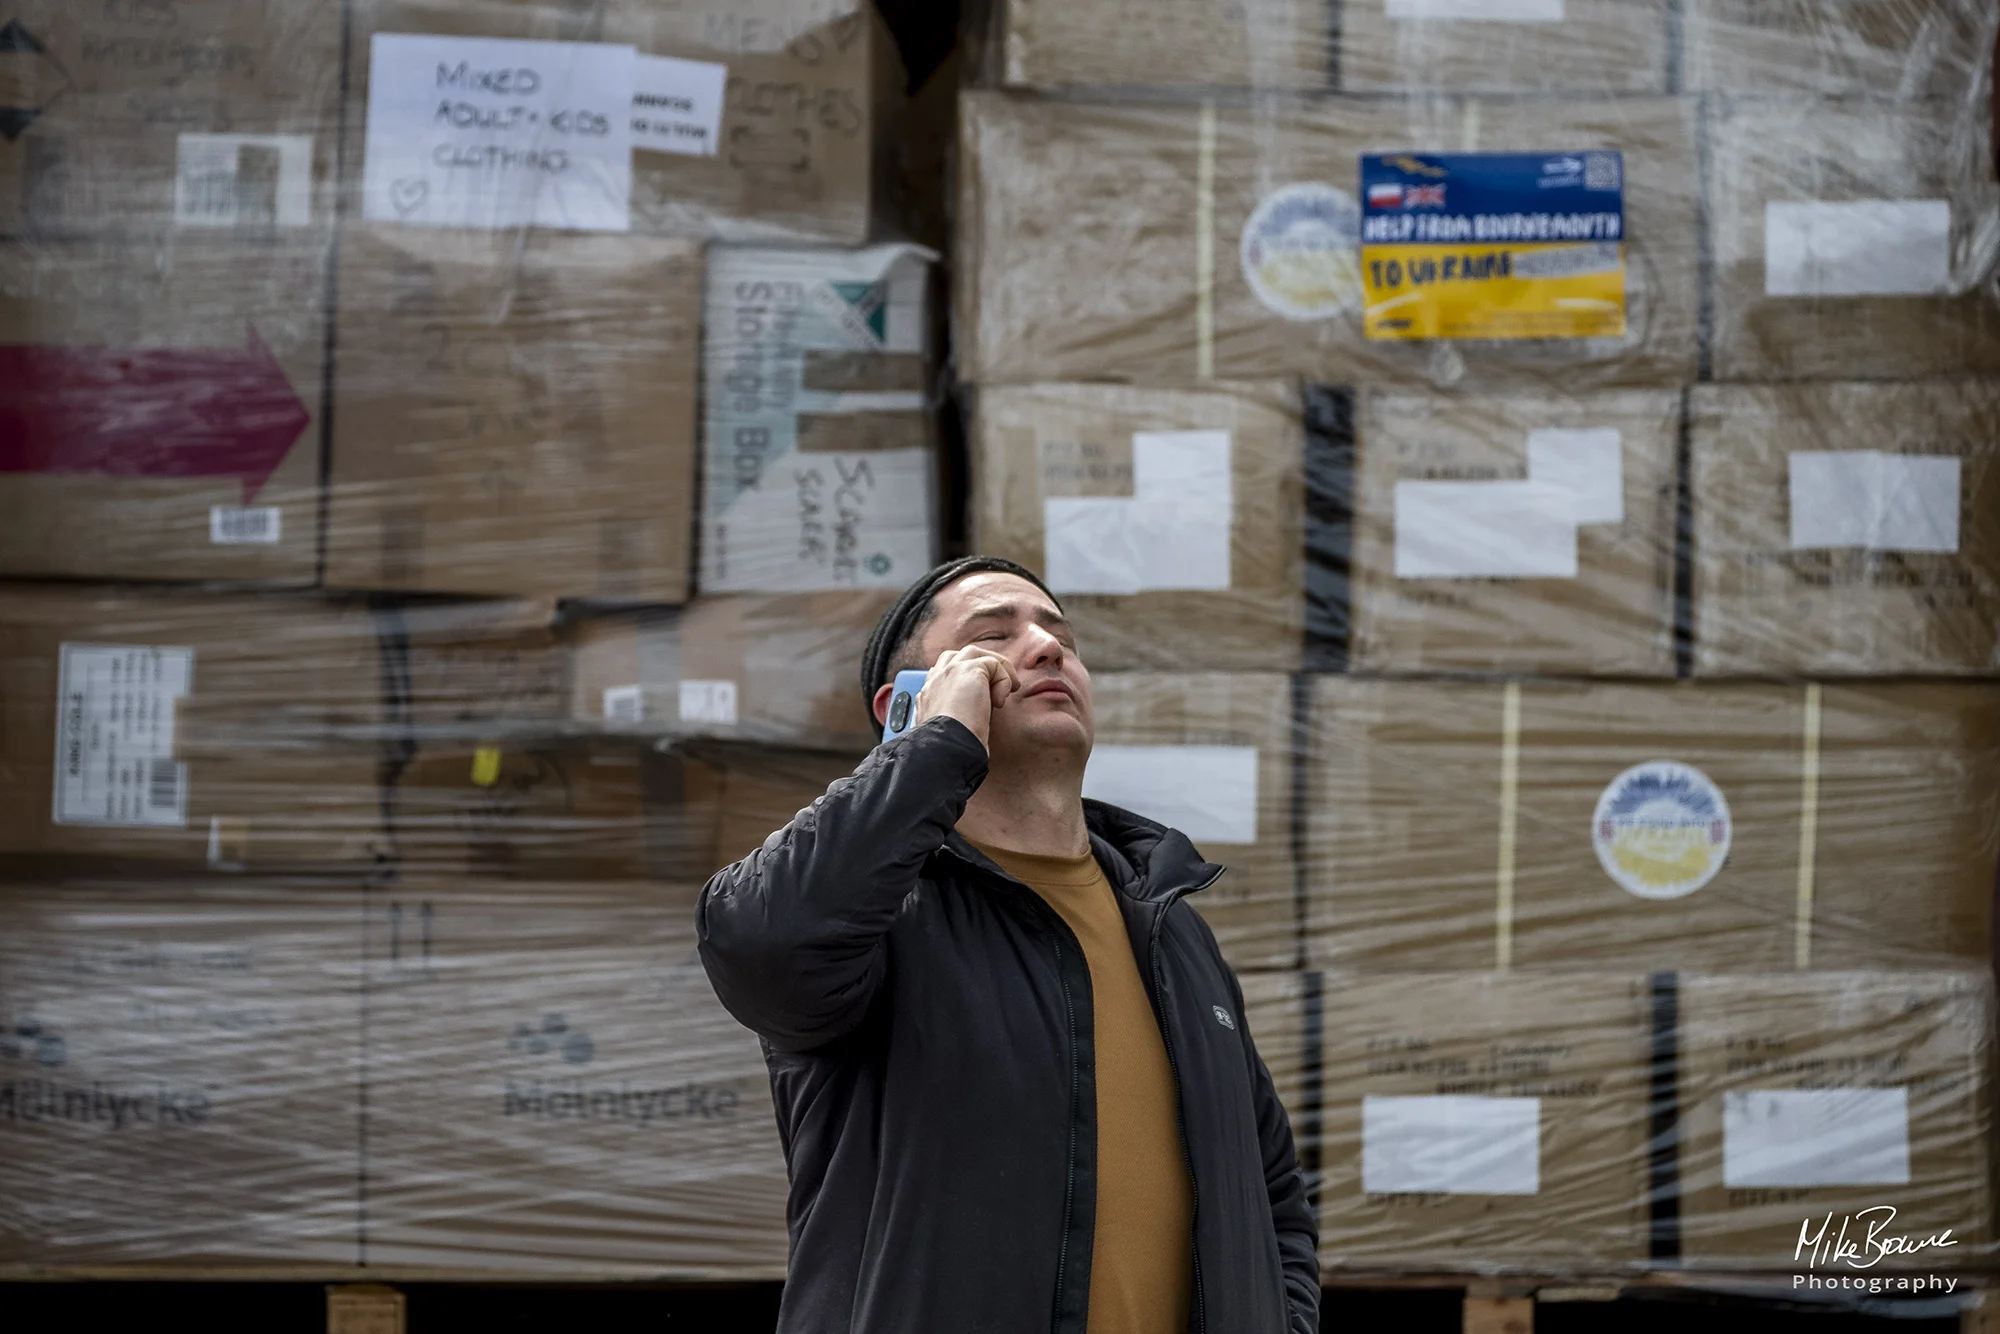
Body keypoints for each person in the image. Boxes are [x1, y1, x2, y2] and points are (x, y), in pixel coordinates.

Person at [698, 556, 1319, 1334]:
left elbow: (1272, 1194)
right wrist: (937, 744)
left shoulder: (1169, 926)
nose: (1046, 647)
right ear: (907, 708)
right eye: (993, 638)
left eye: (1061, 635)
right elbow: (761, 945)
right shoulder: (877, 915)